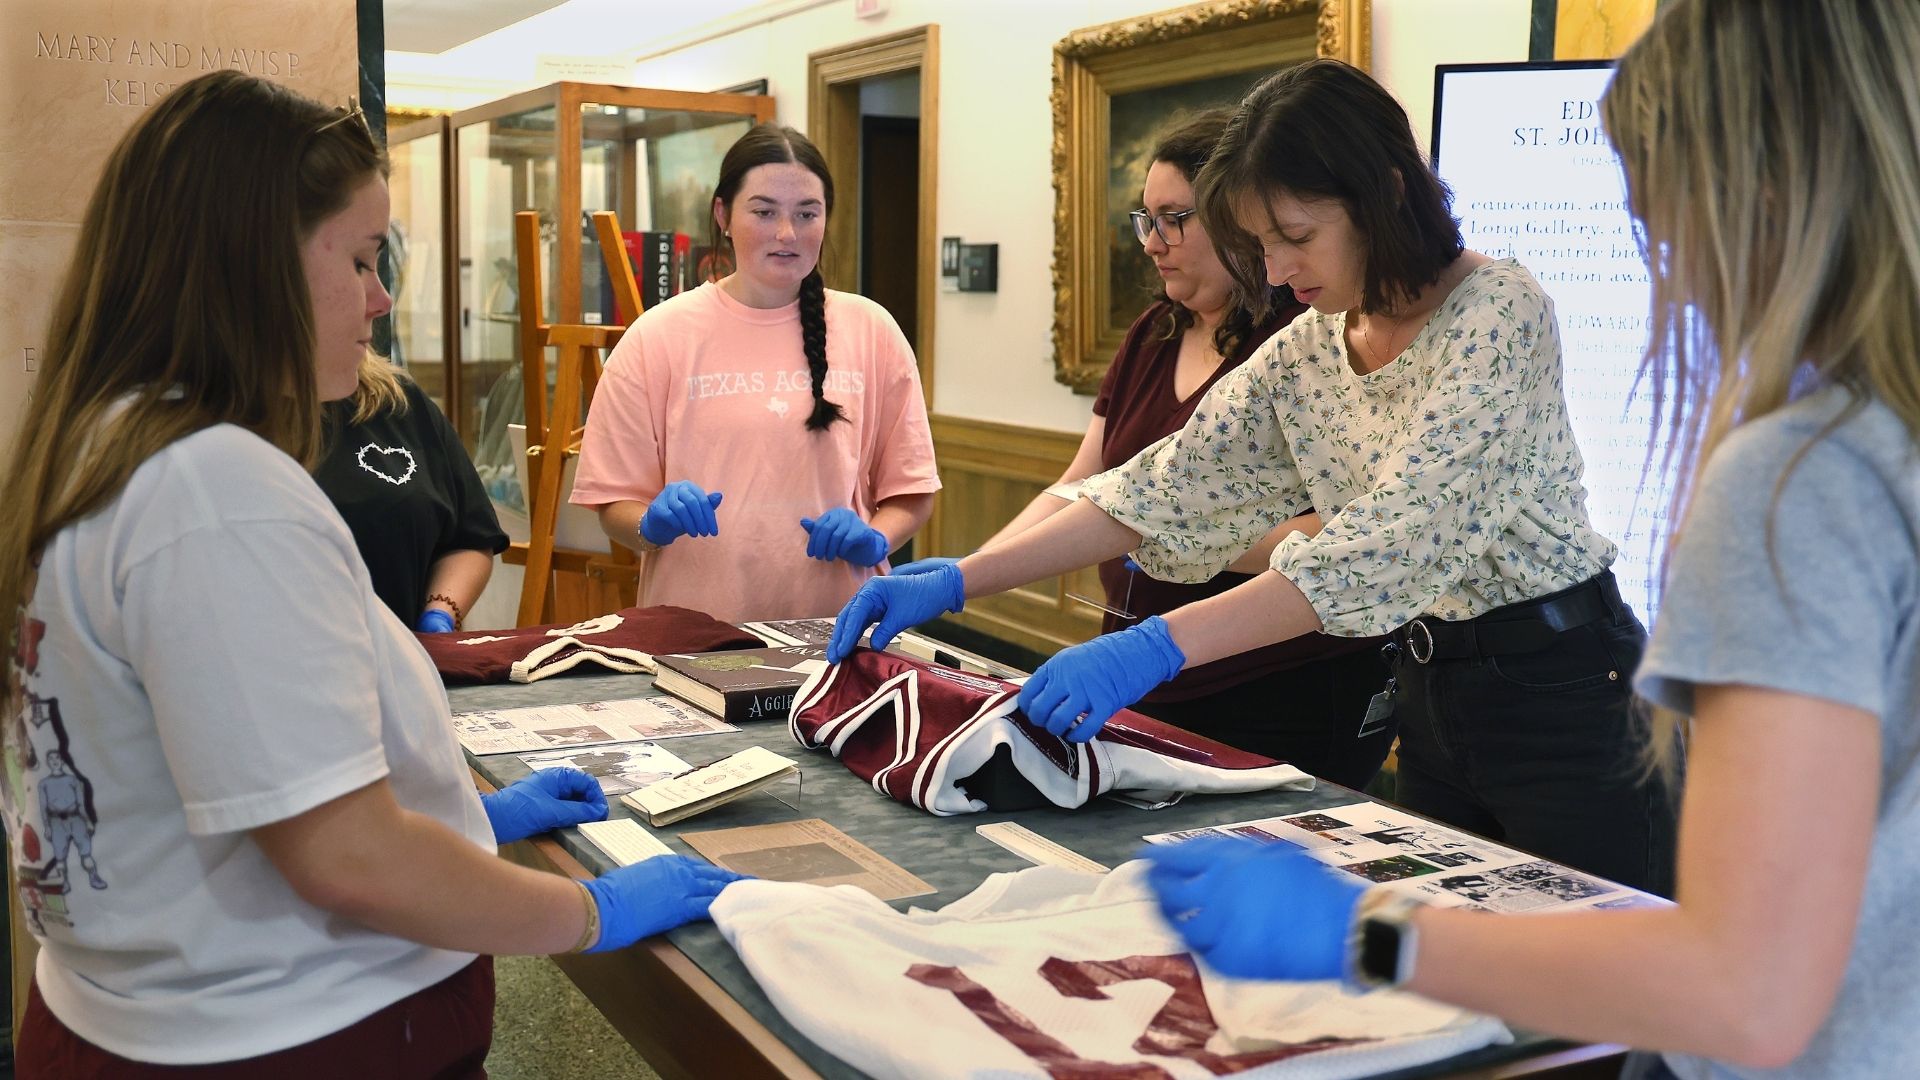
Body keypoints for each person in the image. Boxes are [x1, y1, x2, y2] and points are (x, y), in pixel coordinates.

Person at [1146, 2, 1920, 1076]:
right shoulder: (1882, 445)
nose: (1667, 268)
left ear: (1759, 193)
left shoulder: (1800, 480)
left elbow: (1747, 990)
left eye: (1660, 218)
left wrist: (1367, 935)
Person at [0, 70, 740, 1072]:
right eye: (359, 257)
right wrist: (587, 909)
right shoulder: (217, 488)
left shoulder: (106, 443)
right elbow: (347, 859)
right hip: (287, 1037)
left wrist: (458, 816)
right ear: (251, 266)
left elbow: (223, 772)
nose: (382, 296)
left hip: (143, 1011)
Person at [833, 59, 1676, 895]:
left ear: (1381, 196)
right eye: (1261, 245)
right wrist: (953, 581)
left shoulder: (1498, 311)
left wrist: (1159, 645)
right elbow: (1159, 486)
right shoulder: (1315, 342)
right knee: (1457, 987)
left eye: (1295, 238)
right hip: (1429, 686)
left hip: (1562, 689)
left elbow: (1386, 546)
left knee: (1603, 983)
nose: (1274, 271)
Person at [894, 109, 1391, 788]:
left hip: (1274, 677)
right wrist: (972, 572)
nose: (1153, 242)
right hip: (1152, 669)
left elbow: (1349, 531)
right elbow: (1091, 486)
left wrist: (1156, 538)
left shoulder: (1304, 340)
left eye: (1174, 219)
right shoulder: (1153, 333)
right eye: (1145, 220)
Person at [571, 123, 939, 624]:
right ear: (723, 215)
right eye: (764, 212)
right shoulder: (657, 336)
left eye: (807, 213)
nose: (787, 233)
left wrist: (876, 536)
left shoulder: (872, 330)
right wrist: (651, 526)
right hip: (692, 632)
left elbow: (912, 491)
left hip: (837, 633)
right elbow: (613, 503)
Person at [314, 354, 507, 633]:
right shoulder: (239, 418)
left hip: (402, 662)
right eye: (360, 305)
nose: (382, 307)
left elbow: (469, 538)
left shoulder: (398, 401)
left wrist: (439, 613)